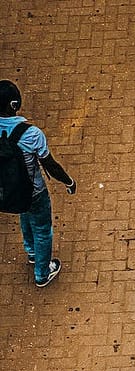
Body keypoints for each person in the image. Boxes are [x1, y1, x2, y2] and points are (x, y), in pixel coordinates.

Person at [0, 80, 76, 287]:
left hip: (8, 189)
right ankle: (42, 273)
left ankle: (32, 252)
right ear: (14, 105)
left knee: (25, 215)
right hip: (34, 190)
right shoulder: (31, 134)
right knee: (43, 229)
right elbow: (50, 164)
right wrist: (68, 181)